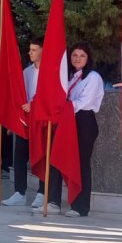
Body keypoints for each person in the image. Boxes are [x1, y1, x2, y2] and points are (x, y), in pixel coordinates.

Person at [47, 42, 104, 217]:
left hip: (83, 121)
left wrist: (62, 107)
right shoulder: (69, 76)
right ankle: (54, 201)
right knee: (58, 157)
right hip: (67, 121)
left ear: (88, 58)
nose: (77, 59)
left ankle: (80, 206)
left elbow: (84, 102)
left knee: (81, 163)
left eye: (82, 56)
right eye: (74, 55)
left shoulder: (92, 77)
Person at [2, 39, 45, 206]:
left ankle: (42, 192)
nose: (30, 52)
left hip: (41, 121)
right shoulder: (26, 72)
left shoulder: (50, 71)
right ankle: (19, 192)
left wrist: (34, 105)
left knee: (41, 156)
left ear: (42, 51)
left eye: (34, 49)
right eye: (30, 49)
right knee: (19, 155)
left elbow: (50, 94)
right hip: (25, 121)